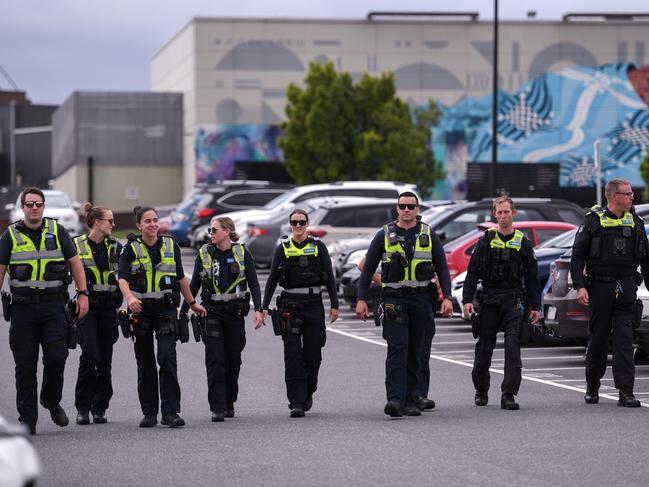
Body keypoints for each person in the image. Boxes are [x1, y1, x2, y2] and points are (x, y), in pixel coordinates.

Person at [0, 187, 89, 434]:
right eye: (29, 204)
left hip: (53, 307)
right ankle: (27, 420)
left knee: (57, 358)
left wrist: (83, 295)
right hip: (23, 309)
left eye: (38, 203)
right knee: (25, 367)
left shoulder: (58, 231)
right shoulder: (10, 235)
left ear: (43, 206)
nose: (34, 208)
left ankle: (50, 399)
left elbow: (75, 263)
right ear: (22, 207)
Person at [356, 192, 453, 418]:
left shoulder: (428, 234)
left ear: (418, 210)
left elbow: (442, 268)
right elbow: (368, 268)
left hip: (421, 299)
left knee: (416, 350)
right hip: (394, 299)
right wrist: (361, 299)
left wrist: (446, 297)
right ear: (397, 209)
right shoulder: (384, 234)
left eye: (411, 206)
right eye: (403, 206)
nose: (407, 210)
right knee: (397, 348)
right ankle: (395, 400)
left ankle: (412, 398)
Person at [118, 206, 205, 428]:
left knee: (167, 359)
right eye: (147, 221)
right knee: (145, 363)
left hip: (166, 311)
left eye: (155, 220)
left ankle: (170, 412)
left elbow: (181, 278)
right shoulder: (130, 249)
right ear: (139, 225)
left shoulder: (170, 245)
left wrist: (192, 303)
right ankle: (149, 412)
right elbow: (122, 278)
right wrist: (129, 298)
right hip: (140, 312)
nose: (153, 224)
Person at [571, 179, 649, 407]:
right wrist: (579, 286)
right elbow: (577, 256)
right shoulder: (592, 222)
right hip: (600, 287)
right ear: (613, 196)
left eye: (632, 194)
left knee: (625, 340)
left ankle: (626, 392)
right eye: (627, 194)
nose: (631, 198)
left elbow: (646, 260)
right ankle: (592, 385)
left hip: (626, 286)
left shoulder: (635, 222)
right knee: (599, 338)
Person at [180, 216, 263, 422]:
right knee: (215, 359)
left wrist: (259, 310)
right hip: (211, 313)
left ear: (227, 231)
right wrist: (183, 311)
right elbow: (194, 285)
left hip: (235, 314)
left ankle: (229, 402)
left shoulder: (242, 253)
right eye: (210, 230)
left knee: (233, 359)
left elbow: (253, 283)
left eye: (214, 229)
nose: (211, 233)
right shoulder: (205, 253)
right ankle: (217, 407)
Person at [463, 196, 541, 410]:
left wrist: (535, 306)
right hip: (489, 299)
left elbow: (532, 277)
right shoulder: (485, 240)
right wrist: (467, 300)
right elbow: (472, 273)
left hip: (514, 300)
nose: (503, 216)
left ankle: (508, 394)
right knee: (484, 348)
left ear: (513, 213)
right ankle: (481, 390)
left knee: (512, 347)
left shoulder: (522, 242)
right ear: (494, 214)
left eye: (507, 212)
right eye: (500, 212)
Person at [262, 209, 339, 418]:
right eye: (294, 222)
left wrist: (334, 304)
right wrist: (263, 307)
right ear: (289, 224)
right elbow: (271, 279)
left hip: (313, 305)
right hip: (290, 306)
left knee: (313, 354)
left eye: (301, 222)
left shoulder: (318, 247)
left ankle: (308, 390)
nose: (297, 226)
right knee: (293, 356)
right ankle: (296, 401)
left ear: (307, 223)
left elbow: (330, 278)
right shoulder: (283, 248)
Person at [73, 203, 123, 426]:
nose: (113, 224)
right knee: (90, 355)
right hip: (87, 308)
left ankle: (100, 406)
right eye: (110, 220)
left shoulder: (116, 246)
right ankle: (82, 406)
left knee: (105, 360)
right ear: (97, 222)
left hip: (108, 309)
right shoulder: (76, 246)